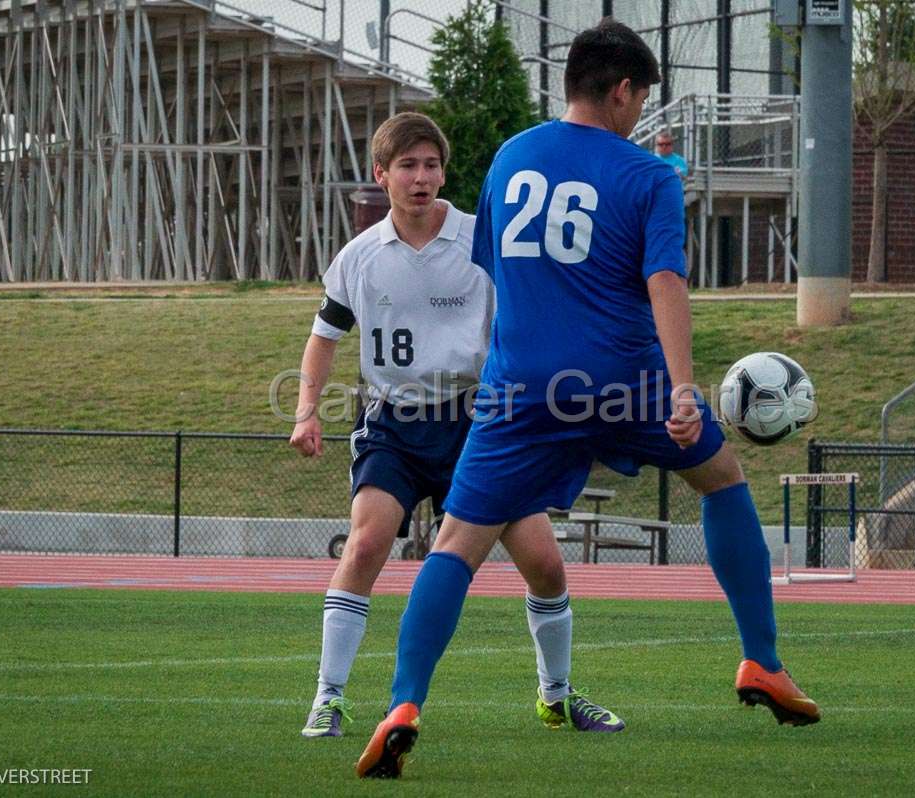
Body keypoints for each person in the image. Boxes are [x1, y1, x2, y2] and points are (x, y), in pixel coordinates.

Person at [355, 21, 819, 780]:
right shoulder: (649, 176)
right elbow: (665, 283)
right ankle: (762, 661)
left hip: (520, 388)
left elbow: (497, 277)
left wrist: (514, 374)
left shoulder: (511, 157)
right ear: (621, 91)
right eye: (640, 99)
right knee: (723, 480)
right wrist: (679, 388)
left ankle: (403, 704)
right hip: (623, 378)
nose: (639, 115)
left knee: (455, 547)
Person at [290, 112, 623, 741]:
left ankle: (556, 696)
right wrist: (307, 412)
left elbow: (528, 318)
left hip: (482, 425)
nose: (422, 178)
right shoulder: (357, 258)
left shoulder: (483, 242)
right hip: (393, 425)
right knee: (365, 544)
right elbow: (324, 339)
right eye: (408, 166)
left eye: (432, 165)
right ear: (381, 174)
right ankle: (328, 698)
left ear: (443, 172)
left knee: (546, 564)